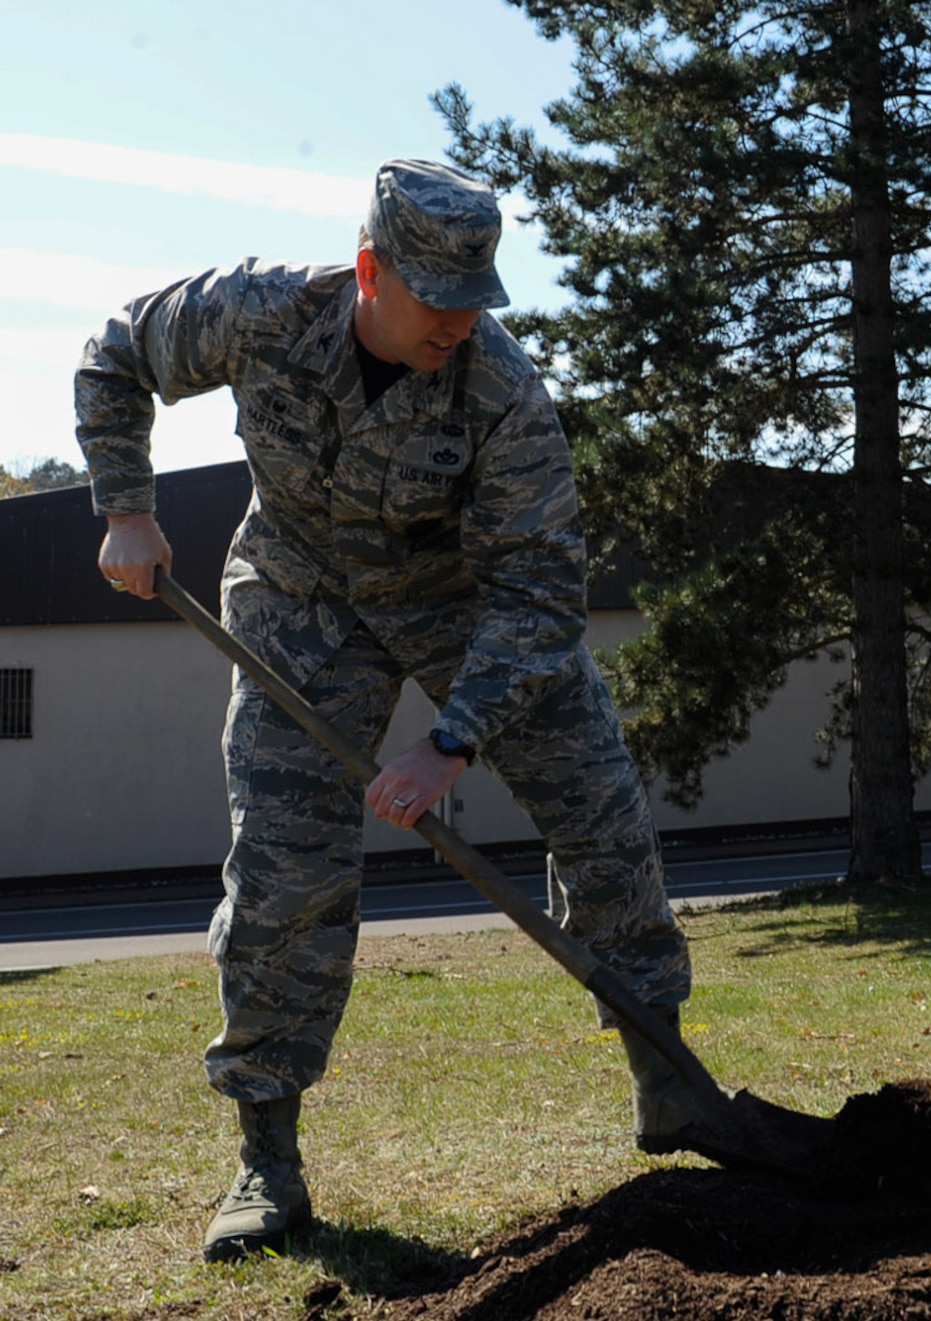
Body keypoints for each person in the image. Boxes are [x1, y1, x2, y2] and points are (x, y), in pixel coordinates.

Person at [78, 160, 715, 1263]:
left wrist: (450, 739)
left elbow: (539, 592)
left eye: (477, 300)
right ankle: (267, 1160)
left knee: (604, 824)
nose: (460, 324)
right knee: (284, 867)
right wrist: (126, 507)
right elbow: (116, 350)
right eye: (436, 299)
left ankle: (669, 1074)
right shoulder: (260, 309)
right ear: (371, 270)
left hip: (470, 607)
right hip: (301, 601)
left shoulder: (501, 391)